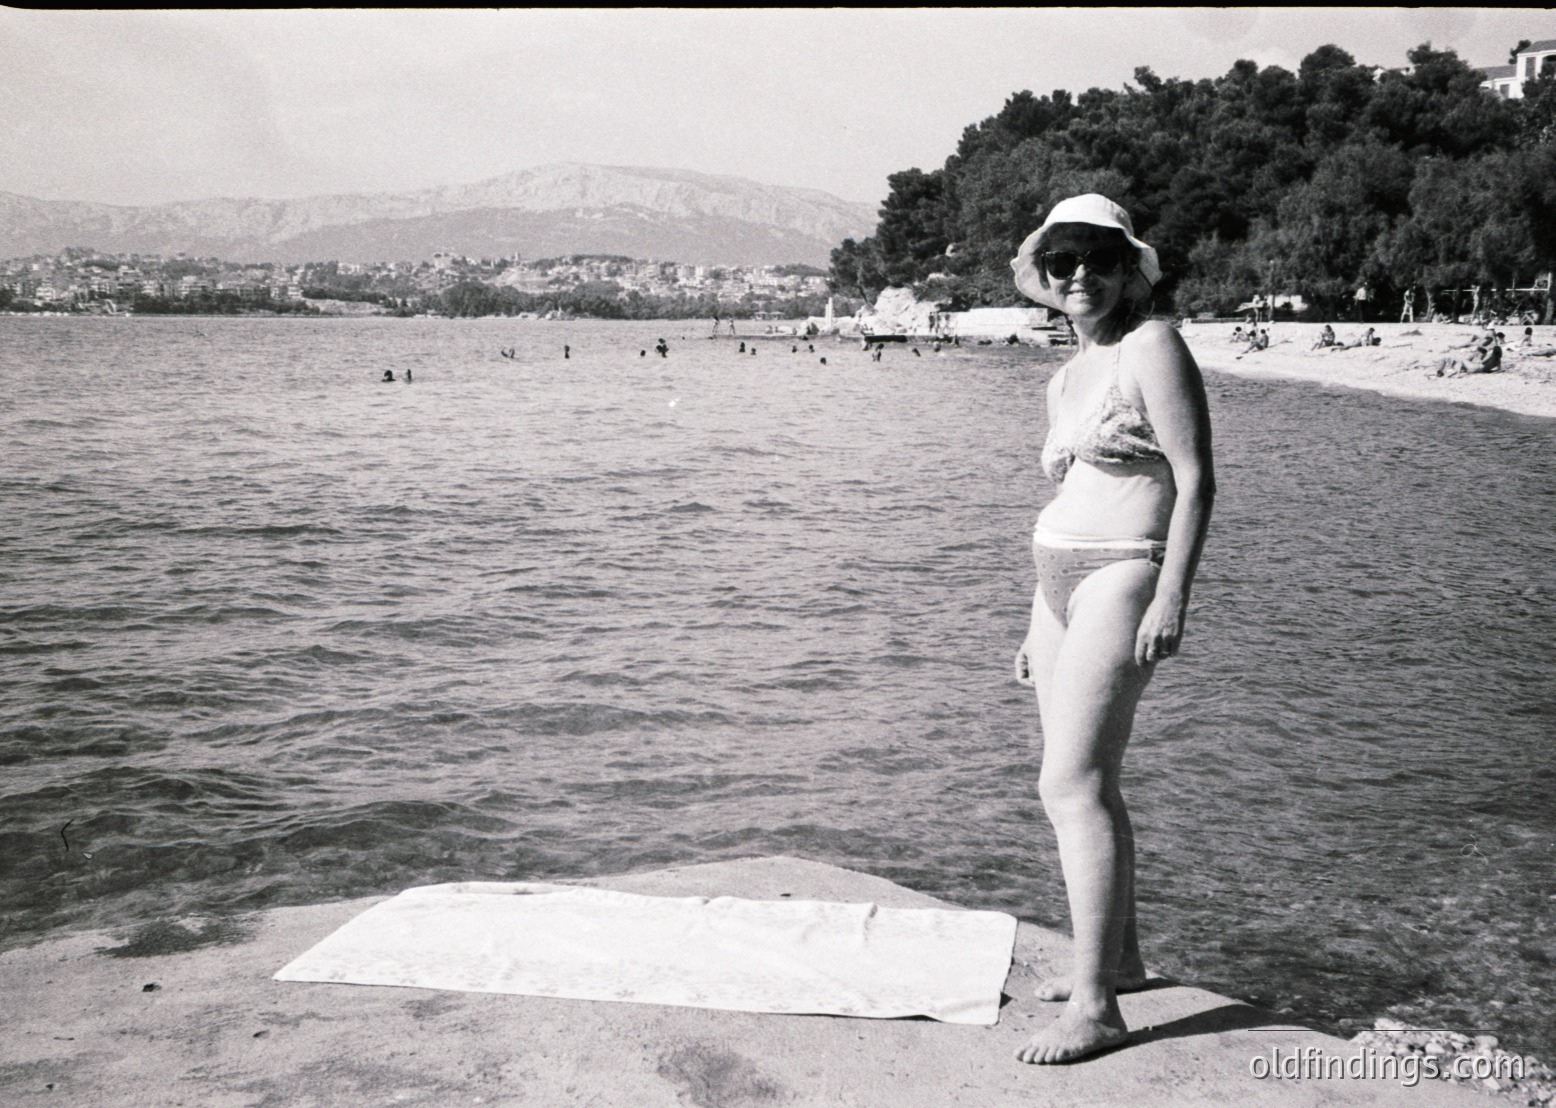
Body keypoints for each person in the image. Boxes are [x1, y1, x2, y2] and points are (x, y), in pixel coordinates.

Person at [1009, 194, 1214, 1064]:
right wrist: (1032, 619)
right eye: (1062, 262)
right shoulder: (1065, 374)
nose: (1079, 275)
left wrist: (1174, 595)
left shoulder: (1152, 345)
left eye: (1097, 257)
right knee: (1092, 781)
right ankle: (1122, 962)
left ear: (1130, 267)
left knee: (1069, 786)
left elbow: (1198, 481)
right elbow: (1067, 494)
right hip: (1057, 582)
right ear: (1046, 279)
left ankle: (1094, 1007)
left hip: (1125, 570)